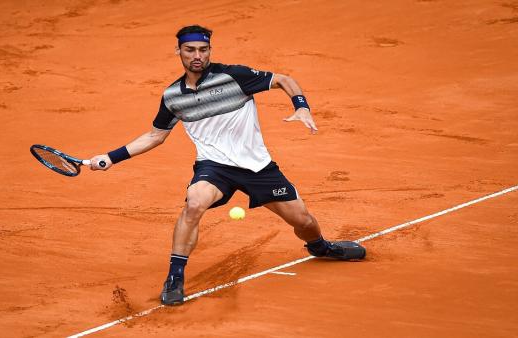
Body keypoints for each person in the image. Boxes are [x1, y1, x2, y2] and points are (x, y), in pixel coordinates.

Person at [89, 25, 366, 306]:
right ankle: (175, 276)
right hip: (214, 166)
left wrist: (301, 106)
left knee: (302, 220)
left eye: (203, 49)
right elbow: (155, 136)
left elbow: (283, 79)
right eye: (190, 50)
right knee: (194, 203)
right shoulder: (173, 96)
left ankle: (321, 248)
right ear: (178, 52)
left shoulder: (234, 76)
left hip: (257, 166)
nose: (197, 55)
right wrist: (111, 158)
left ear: (210, 50)